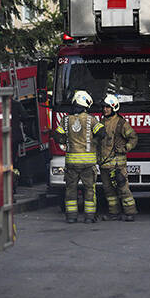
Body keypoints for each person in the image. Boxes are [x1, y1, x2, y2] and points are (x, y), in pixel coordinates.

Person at [56, 90, 102, 224]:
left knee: (71, 190)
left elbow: (57, 135)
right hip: (88, 164)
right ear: (86, 105)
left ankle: (71, 217)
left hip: (71, 163)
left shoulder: (65, 120)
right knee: (89, 190)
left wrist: (65, 142)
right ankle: (89, 217)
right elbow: (102, 133)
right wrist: (93, 142)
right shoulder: (91, 120)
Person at [97, 94, 139, 221]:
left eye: (108, 107)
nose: (105, 110)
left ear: (114, 108)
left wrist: (125, 148)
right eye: (104, 107)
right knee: (108, 191)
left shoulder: (121, 123)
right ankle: (114, 213)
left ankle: (130, 212)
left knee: (123, 189)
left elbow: (133, 138)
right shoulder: (101, 122)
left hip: (118, 165)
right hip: (104, 164)